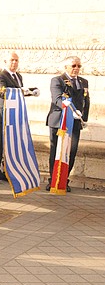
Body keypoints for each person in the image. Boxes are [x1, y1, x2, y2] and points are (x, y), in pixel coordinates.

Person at [0, 51, 40, 184]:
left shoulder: (18, 76)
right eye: (12, 60)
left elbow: (18, 93)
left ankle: (7, 171)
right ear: (5, 62)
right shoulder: (0, 76)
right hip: (1, 114)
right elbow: (3, 92)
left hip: (14, 115)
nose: (14, 63)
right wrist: (25, 91)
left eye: (16, 60)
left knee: (10, 144)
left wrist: (30, 92)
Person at [46, 56, 90, 192]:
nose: (76, 68)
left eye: (78, 66)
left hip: (76, 122)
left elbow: (86, 101)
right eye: (73, 66)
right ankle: (53, 180)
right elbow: (57, 99)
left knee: (71, 151)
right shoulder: (57, 80)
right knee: (57, 151)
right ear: (66, 67)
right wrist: (71, 110)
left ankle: (65, 179)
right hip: (60, 121)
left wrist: (84, 118)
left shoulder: (83, 82)